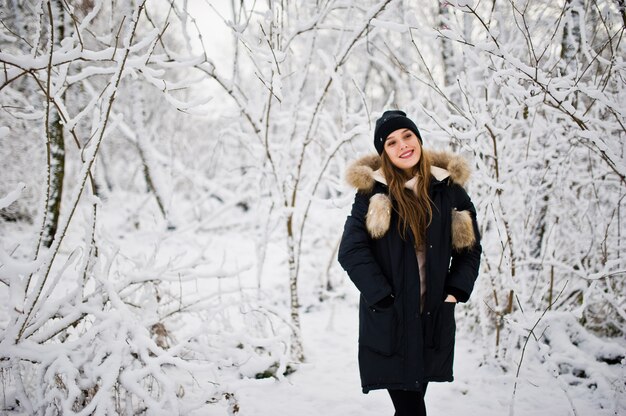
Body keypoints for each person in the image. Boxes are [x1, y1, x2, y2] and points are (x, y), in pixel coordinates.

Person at [337, 110, 482, 416]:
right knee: (413, 410)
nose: (402, 145)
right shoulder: (372, 193)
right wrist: (382, 295)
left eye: (407, 136)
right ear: (384, 152)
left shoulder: (448, 188)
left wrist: (454, 291)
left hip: (432, 317)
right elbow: (351, 250)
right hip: (391, 319)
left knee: (411, 406)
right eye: (391, 142)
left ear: (418, 138)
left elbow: (469, 248)